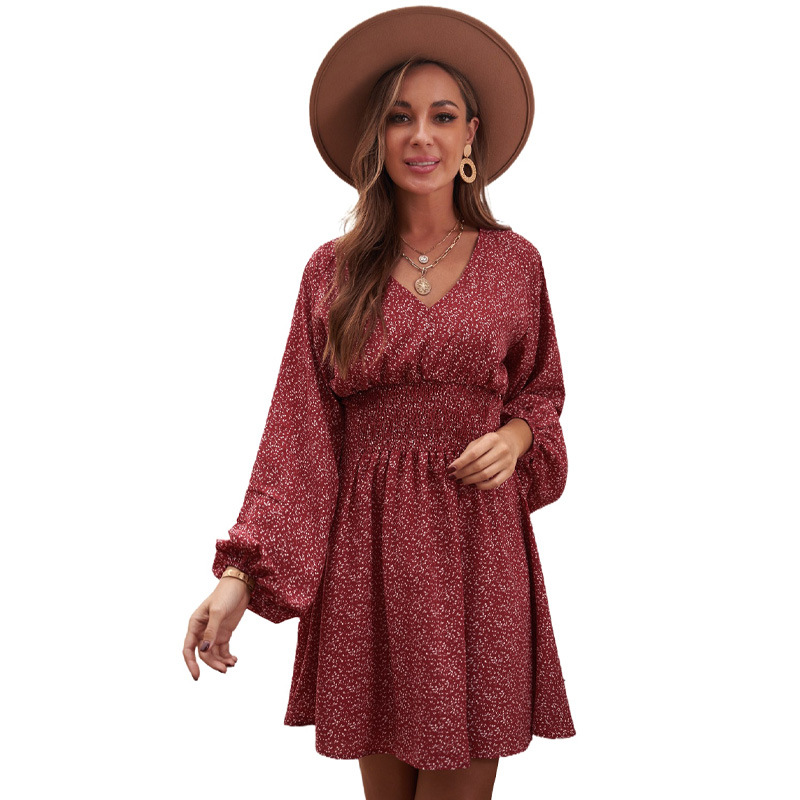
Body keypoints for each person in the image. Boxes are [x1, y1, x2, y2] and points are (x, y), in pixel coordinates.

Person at [183, 7, 575, 800]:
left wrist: (517, 435)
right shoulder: (330, 272)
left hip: (478, 552)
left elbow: (542, 392)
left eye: (442, 116)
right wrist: (239, 576)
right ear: (376, 137)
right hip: (368, 562)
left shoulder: (516, 263)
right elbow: (298, 436)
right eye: (400, 117)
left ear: (471, 136)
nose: (420, 136)